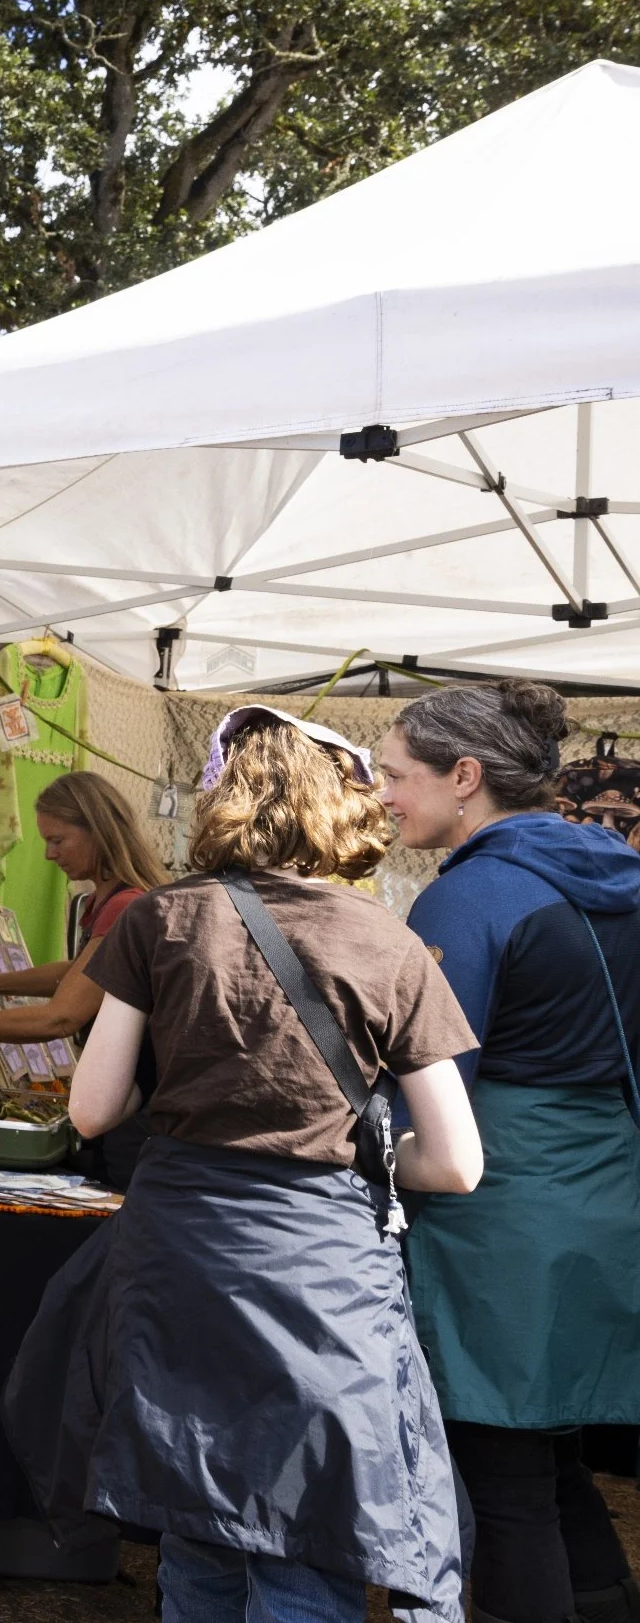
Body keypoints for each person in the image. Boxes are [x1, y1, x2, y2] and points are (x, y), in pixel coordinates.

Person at [4, 705, 485, 1623]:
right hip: (325, 1280)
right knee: (314, 1532)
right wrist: (366, 1155)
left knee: (200, 1518)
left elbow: (93, 1107)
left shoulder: (161, 917)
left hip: (179, 1263)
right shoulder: (391, 943)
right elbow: (456, 1163)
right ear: (337, 805)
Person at [380, 681, 640, 1623]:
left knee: (502, 1474)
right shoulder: (619, 869)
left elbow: (428, 1072)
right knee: (550, 1449)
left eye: (395, 775)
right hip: (605, 1180)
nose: (382, 796)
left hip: (498, 1203)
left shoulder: (469, 897)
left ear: (466, 776)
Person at [0, 770, 163, 1050]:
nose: (49, 854)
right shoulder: (104, 901)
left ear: (97, 830)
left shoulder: (124, 906)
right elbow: (77, 974)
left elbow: (59, 1018)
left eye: (57, 841)